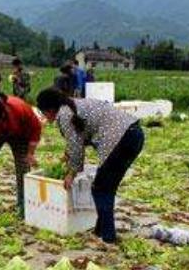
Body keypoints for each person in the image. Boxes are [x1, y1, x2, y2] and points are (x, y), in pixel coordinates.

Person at [36, 88, 144, 244]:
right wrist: (68, 154)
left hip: (121, 139)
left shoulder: (64, 115)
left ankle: (108, 237)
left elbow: (76, 146)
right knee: (106, 187)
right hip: (134, 134)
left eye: (43, 112)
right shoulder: (73, 105)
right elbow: (80, 136)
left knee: (100, 188)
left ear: (50, 109)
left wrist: (71, 173)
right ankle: (100, 230)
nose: (44, 116)